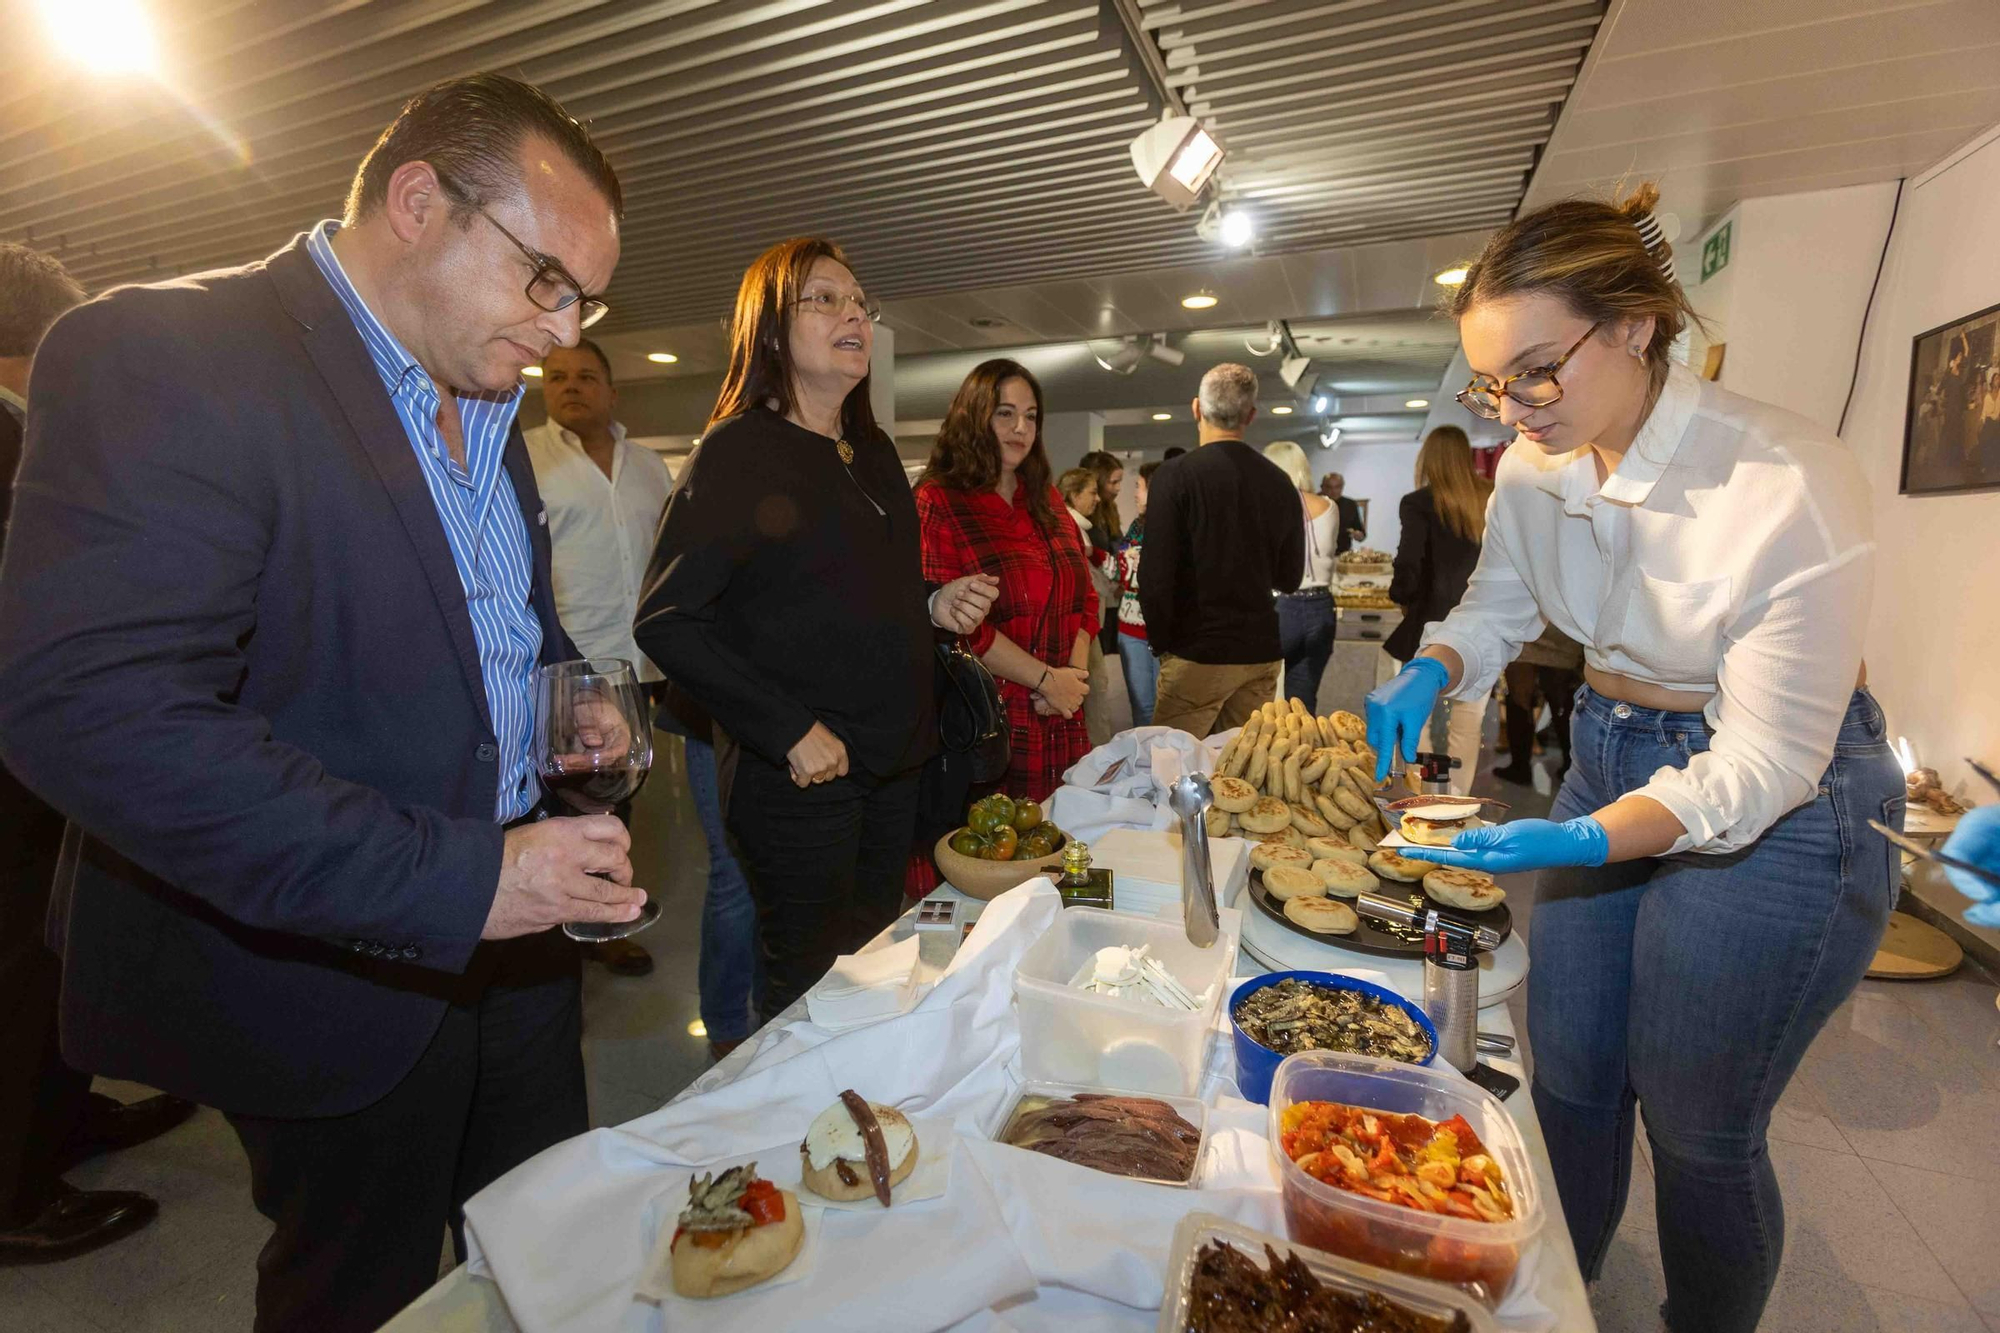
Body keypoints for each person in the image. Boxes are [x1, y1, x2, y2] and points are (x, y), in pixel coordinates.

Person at [0, 75, 648, 1331]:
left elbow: (493, 612)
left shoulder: (491, 390)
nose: (564, 332)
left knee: (541, 1249)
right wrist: (466, 882)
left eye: (584, 299)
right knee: (362, 1287)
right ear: (419, 203)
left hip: (512, 954)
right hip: (331, 960)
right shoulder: (169, 352)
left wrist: (567, 693)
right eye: (544, 279)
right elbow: (91, 706)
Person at [1366, 183, 1897, 1333]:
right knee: (1569, 1075)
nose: (1513, 408)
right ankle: (1565, 1297)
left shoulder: (1781, 481)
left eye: (1536, 371)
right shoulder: (1533, 467)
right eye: (1491, 385)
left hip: (1783, 797)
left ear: (1635, 326)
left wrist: (1583, 835)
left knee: (1697, 1121)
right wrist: (1434, 666)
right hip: (1609, 750)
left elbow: (1760, 761)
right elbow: (1495, 606)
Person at [635, 237, 995, 1024]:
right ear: (770, 330)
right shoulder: (737, 450)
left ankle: (855, 1126)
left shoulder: (869, 453)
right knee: (806, 991)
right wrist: (788, 727)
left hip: (892, 764)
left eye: (860, 301)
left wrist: (933, 604)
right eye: (825, 298)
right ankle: (796, 1136)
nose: (853, 313)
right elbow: (667, 620)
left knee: (871, 964)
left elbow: (851, 590)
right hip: (801, 780)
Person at [0, 243, 197, 1267]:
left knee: (56, 952)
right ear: (46, 343)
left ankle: (63, 1123)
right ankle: (13, 1193)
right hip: (14, 775)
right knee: (20, 970)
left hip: (40, 766)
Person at [524, 339, 672, 979]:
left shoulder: (648, 467)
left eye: (586, 376)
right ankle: (561, 922)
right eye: (557, 376)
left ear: (612, 390)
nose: (571, 386)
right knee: (565, 802)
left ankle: (609, 916)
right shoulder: (525, 456)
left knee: (623, 800)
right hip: (567, 669)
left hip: (641, 665)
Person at [914, 359, 1095, 804]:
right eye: (1005, 413)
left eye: (1030, 416)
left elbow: (1084, 599)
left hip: (1061, 710)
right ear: (975, 416)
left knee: (1067, 848)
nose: (1021, 428)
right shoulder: (938, 500)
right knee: (997, 859)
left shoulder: (1047, 499)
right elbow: (953, 626)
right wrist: (1045, 680)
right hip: (988, 720)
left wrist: (1069, 679)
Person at [1139, 364, 1304, 738]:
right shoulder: (1279, 482)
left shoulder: (1174, 475)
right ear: (1251, 415)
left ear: (1196, 408)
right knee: (1242, 773)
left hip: (1197, 651)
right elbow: (1290, 577)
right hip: (1260, 650)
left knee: (1174, 773)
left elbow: (1155, 576)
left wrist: (1164, 645)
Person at [1382, 426, 1495, 793]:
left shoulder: (1418, 503)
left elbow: (1409, 565)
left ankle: (1425, 796)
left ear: (1428, 458)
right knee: (1468, 721)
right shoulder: (1490, 497)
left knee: (1419, 718)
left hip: (1427, 626)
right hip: (1481, 624)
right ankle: (1458, 798)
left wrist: (1400, 595)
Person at [1264, 440, 1337, 711]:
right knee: (1302, 703)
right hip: (1322, 608)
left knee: (1267, 703)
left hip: (1281, 608)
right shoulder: (1329, 507)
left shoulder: (1267, 508)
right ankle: (1304, 752)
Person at [1057, 466, 1117, 744]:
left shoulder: (1081, 529)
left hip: (1087, 623)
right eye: (1091, 492)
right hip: (1082, 626)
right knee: (1094, 691)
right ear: (1073, 494)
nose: (1097, 499)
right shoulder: (1070, 530)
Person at [1493, 624, 1585, 788]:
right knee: (1562, 704)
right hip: (1563, 633)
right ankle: (1569, 766)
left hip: (1526, 631)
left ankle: (1520, 767)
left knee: (1520, 699)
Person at [1114, 461, 1163, 726]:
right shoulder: (1135, 526)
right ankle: (1146, 764)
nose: (1134, 492)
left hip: (1164, 630)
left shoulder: (1174, 525)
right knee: (1142, 707)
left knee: (1165, 706)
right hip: (1131, 630)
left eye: (1139, 486)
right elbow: (1121, 574)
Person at [1317, 471, 1367, 552]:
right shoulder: (1313, 503)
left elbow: (1361, 532)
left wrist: (1359, 535)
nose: (1333, 491)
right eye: (1329, 487)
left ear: (1342, 487)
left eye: (1337, 487)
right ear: (1322, 487)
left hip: (1342, 554)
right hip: (1318, 554)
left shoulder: (1350, 505)